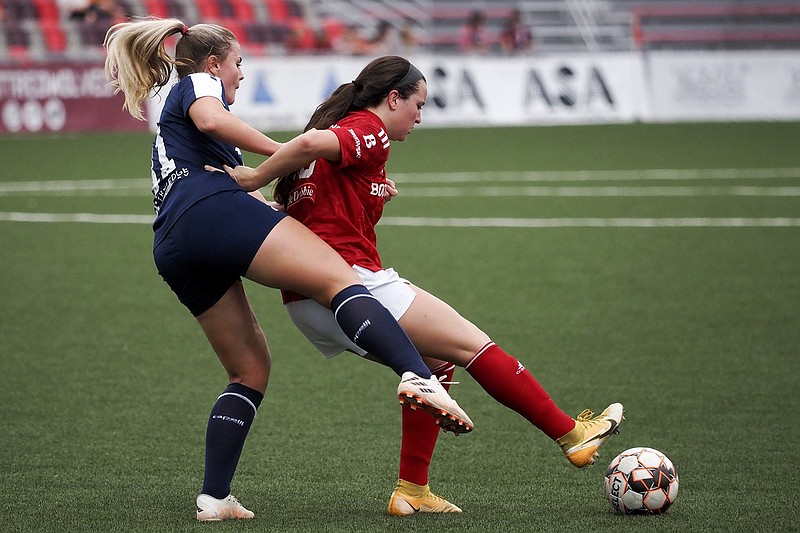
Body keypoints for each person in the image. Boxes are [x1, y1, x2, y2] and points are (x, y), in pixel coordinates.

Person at [219, 55, 626, 516]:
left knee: (433, 364)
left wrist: (371, 192)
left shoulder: (325, 157)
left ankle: (412, 490)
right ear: (392, 98)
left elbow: (305, 205)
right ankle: (571, 434)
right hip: (353, 290)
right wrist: (253, 175)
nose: (419, 116)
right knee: (473, 345)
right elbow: (312, 142)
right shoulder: (366, 128)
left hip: (306, 304)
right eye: (418, 104)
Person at [103, 19, 474, 522]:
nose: (239, 74)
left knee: (250, 369)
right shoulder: (197, 82)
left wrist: (303, 199)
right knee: (340, 276)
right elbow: (212, 119)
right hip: (206, 209)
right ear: (214, 63)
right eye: (238, 64)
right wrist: (281, 154)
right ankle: (417, 373)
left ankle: (214, 498)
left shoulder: (190, 124)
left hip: (173, 242)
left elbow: (253, 204)